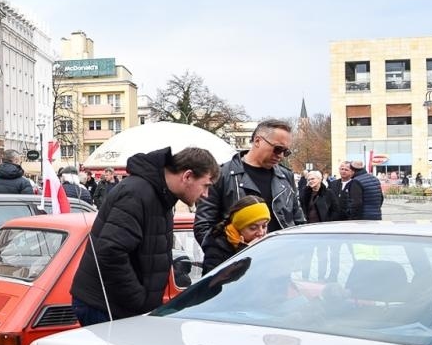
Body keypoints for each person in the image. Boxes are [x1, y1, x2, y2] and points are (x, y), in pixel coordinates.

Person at [69, 146, 219, 325]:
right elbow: (110, 251)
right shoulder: (136, 193)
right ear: (187, 176)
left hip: (116, 305)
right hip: (106, 306)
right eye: (206, 186)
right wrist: (139, 302)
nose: (206, 194)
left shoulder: (160, 196)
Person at [193, 119, 304, 248]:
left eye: (286, 152)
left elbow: (299, 223)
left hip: (281, 256)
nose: (281, 156)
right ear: (257, 141)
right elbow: (203, 227)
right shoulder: (222, 175)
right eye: (278, 149)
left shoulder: (286, 176)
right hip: (239, 259)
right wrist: (234, 253)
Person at [201, 196, 271, 272]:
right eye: (253, 228)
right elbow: (216, 278)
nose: (261, 233)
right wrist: (244, 253)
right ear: (238, 228)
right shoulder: (216, 246)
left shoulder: (269, 243)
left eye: (264, 226)